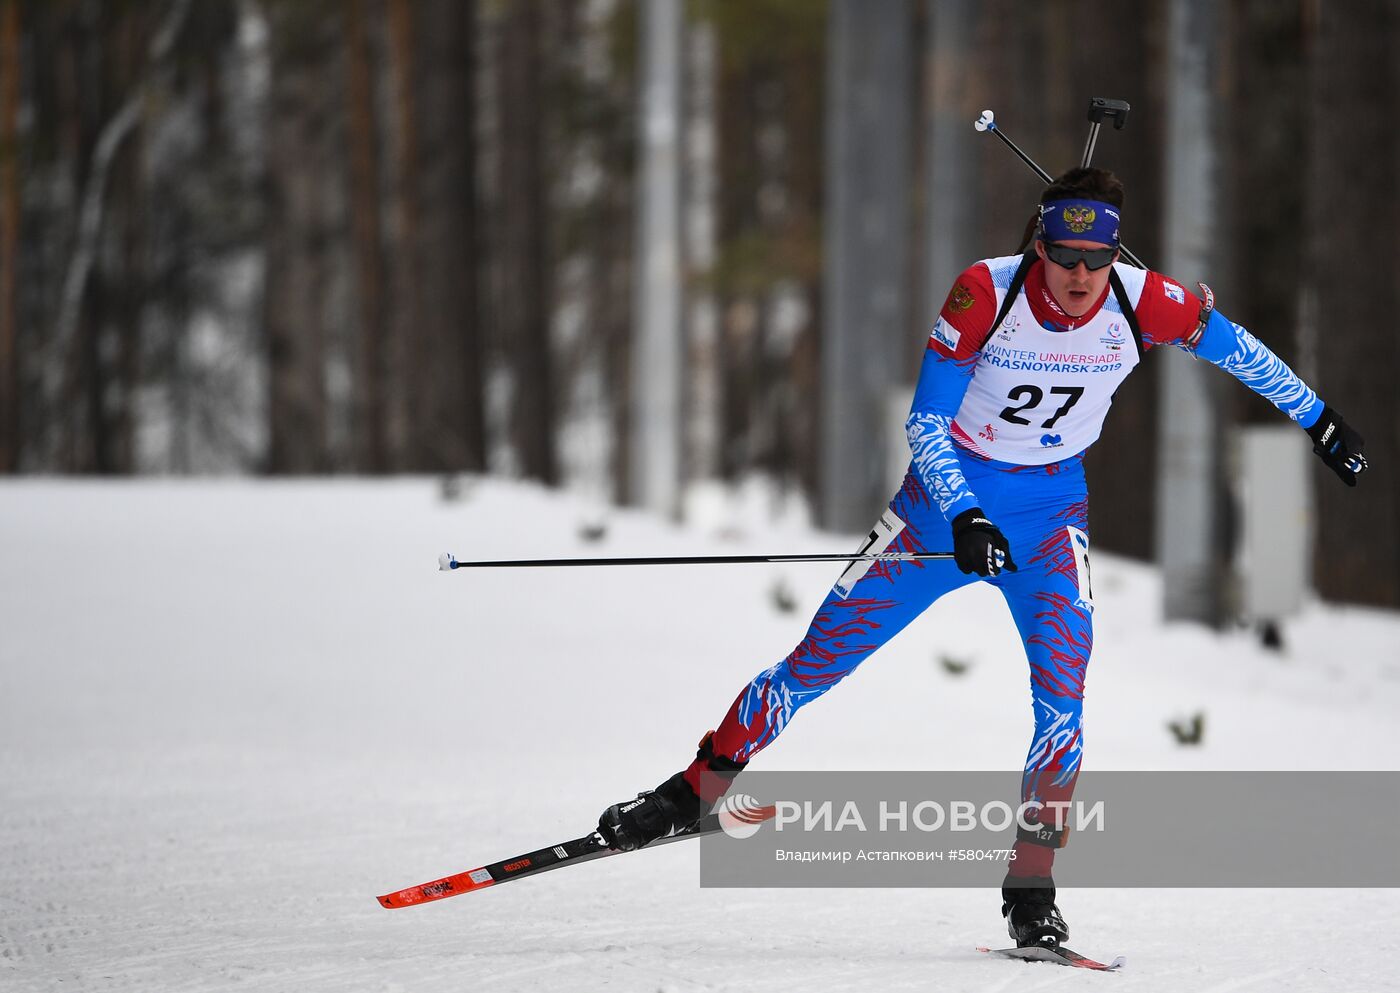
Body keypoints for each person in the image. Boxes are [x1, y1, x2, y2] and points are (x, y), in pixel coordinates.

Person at [596, 167, 1369, 949]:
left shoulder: (1144, 300)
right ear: (1039, 244)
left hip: (1049, 519)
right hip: (942, 507)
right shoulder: (985, 293)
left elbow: (1236, 348)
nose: (1078, 276)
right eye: (1064, 255)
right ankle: (696, 789)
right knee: (816, 663)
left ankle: (1032, 886)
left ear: (1113, 255)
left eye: (1095, 259)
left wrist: (1319, 418)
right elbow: (927, 422)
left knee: (1063, 702)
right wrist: (964, 513)